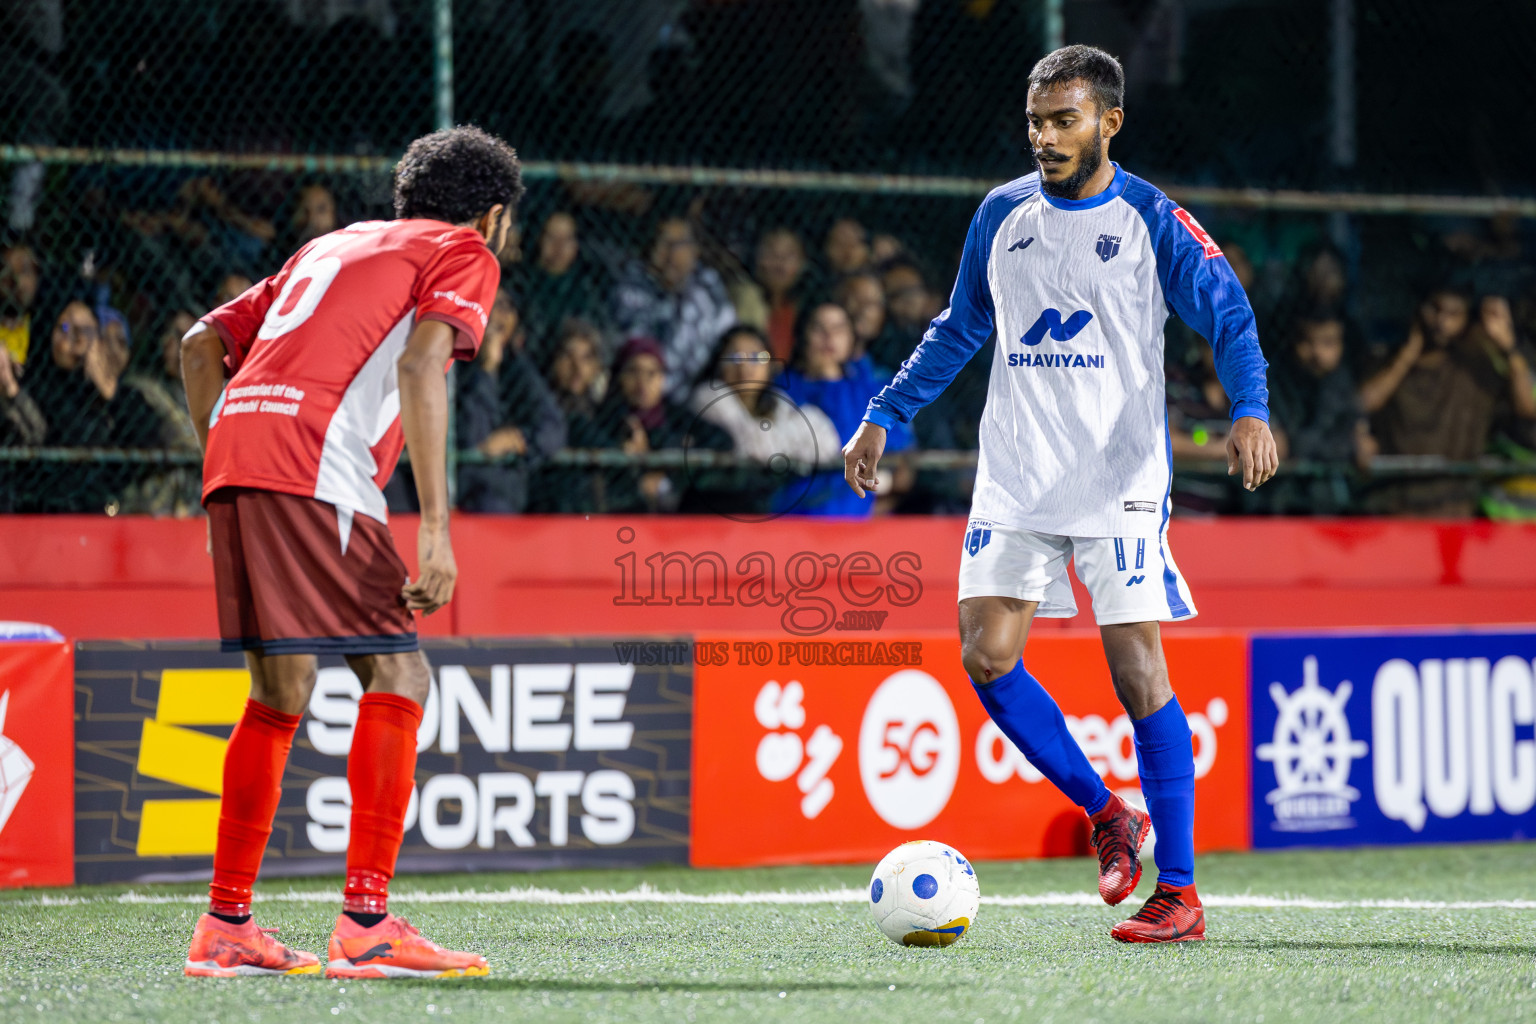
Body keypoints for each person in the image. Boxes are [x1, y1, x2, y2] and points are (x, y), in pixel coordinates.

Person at [842, 46, 1276, 943]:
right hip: (1015, 477)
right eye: (1036, 120)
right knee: (987, 657)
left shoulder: (1153, 218)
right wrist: (886, 412)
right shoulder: (1001, 214)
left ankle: (1181, 894)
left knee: (1136, 672)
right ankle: (1108, 812)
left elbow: (1228, 312)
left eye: (1064, 119)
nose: (1044, 137)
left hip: (1116, 482)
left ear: (1109, 121)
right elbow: (962, 325)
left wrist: (1251, 407)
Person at [177, 125, 523, 980]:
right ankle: (366, 923)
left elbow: (197, 346)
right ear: (494, 217)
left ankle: (226, 927)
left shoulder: (331, 243)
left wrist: (224, 451)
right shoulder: (463, 250)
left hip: (243, 454)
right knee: (400, 676)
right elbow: (422, 363)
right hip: (315, 466)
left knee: (280, 689)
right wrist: (436, 527)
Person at [1359, 287, 1535, 515]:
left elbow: (1526, 408)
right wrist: (1407, 356)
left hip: (1454, 510)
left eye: (1454, 314)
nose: (1441, 322)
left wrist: (1509, 348)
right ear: (1418, 310)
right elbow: (1362, 404)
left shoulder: (1476, 372)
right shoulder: (1386, 362)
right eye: (1435, 310)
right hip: (1396, 506)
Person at [688, 324, 840, 515]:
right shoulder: (708, 399)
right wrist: (792, 446)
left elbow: (826, 443)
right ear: (719, 366)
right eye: (734, 358)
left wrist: (776, 446)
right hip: (716, 512)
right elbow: (755, 447)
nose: (744, 367)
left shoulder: (779, 401)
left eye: (755, 357)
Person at [779, 302, 913, 516]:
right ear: (803, 336)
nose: (828, 337)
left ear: (852, 339)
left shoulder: (874, 391)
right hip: (791, 515)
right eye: (818, 328)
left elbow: (902, 468)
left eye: (838, 329)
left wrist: (872, 514)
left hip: (856, 519)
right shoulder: (783, 388)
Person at [569, 336, 731, 513]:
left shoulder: (674, 414)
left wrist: (663, 464)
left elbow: (722, 441)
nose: (642, 382)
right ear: (618, 376)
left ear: (662, 378)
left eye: (651, 373)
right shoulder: (606, 416)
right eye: (633, 371)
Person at [455, 288, 567, 513]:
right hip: (456, 480)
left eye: (506, 307)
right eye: (488, 305)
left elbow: (554, 429)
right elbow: (474, 440)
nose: (496, 316)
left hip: (500, 492)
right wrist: (486, 370)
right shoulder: (452, 362)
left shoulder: (518, 367)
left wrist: (518, 439)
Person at [610, 215, 735, 399]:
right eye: (664, 243)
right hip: (645, 395)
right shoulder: (630, 288)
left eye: (680, 244)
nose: (671, 254)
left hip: (702, 394)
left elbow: (731, 337)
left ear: (695, 250)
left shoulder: (709, 287)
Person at [517, 211, 608, 367]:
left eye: (566, 239)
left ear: (576, 246)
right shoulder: (521, 283)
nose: (559, 247)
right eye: (552, 238)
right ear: (538, 239)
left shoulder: (587, 287)